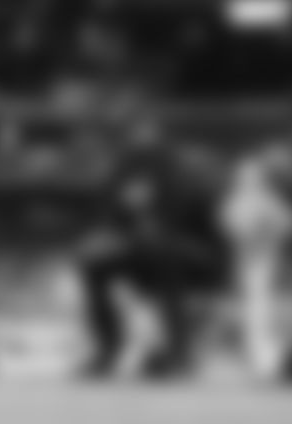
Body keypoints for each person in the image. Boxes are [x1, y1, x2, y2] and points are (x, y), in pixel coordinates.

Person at [76, 114, 228, 381]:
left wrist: (154, 218)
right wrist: (115, 224)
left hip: (195, 257)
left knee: (164, 254)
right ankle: (107, 349)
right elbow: (111, 222)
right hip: (142, 253)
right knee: (94, 263)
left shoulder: (184, 174)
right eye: (135, 136)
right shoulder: (123, 174)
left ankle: (179, 352)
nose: (140, 142)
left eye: (147, 135)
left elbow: (205, 228)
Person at [220, 142, 292, 380]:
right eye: (244, 176)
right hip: (248, 264)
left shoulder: (270, 200)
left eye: (252, 176)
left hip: (270, 263)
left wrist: (268, 229)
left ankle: (270, 361)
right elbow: (233, 228)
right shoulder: (235, 202)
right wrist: (251, 232)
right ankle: (258, 361)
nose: (248, 179)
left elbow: (287, 223)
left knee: (265, 309)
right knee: (253, 309)